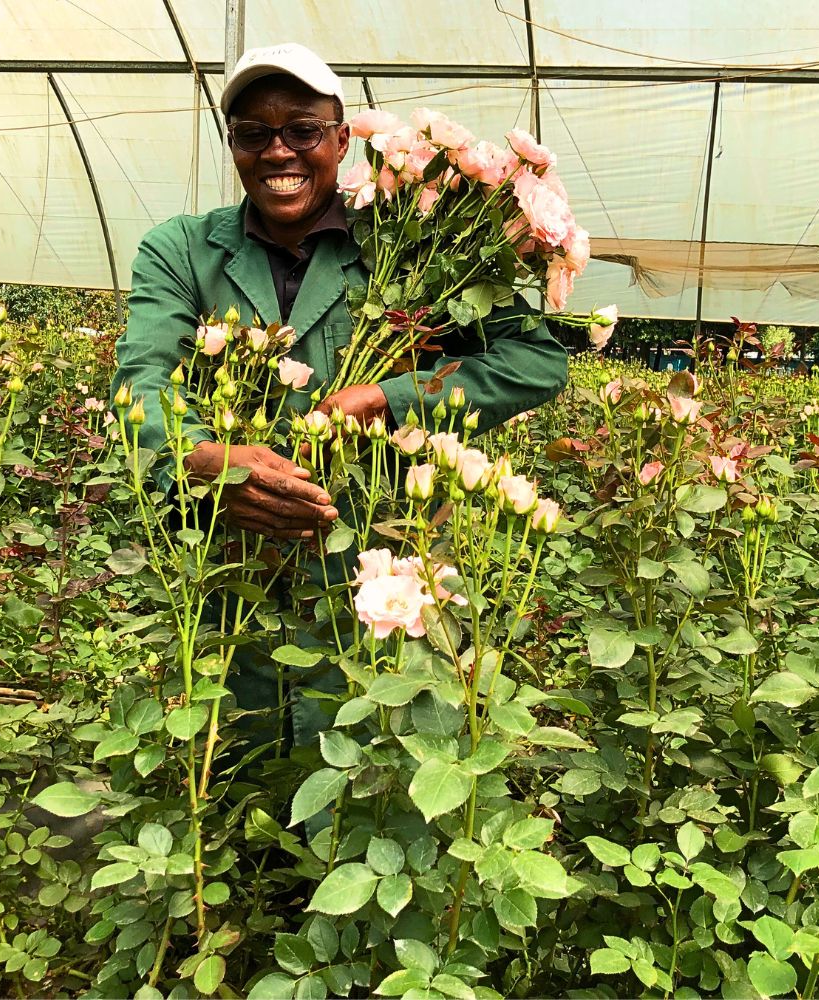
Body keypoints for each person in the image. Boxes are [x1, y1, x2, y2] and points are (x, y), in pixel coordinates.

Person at [112, 42, 569, 746]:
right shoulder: (181, 250)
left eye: (301, 130)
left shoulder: (419, 242)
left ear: (341, 135)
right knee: (233, 774)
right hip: (234, 573)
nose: (278, 152)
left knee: (378, 770)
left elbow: (537, 360)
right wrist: (203, 459)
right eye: (253, 134)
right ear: (232, 143)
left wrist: (393, 396)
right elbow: (143, 380)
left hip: (383, 567)